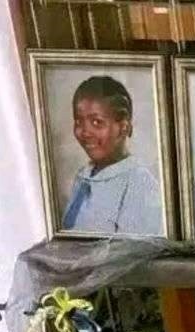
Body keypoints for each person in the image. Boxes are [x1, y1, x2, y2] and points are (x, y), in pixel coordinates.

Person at [61, 76, 162, 235]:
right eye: (79, 121)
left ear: (123, 127)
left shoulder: (140, 184)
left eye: (97, 122)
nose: (85, 132)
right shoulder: (83, 177)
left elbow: (135, 248)